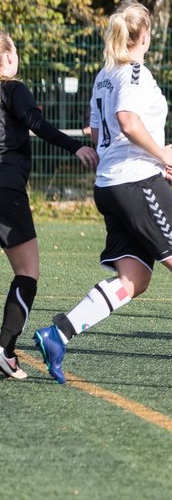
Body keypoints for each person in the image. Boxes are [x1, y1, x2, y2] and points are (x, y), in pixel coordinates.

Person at [31, 3, 172, 385]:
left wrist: (151, 161)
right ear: (145, 35)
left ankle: (58, 334)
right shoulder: (134, 72)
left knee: (134, 278)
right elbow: (127, 121)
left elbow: (96, 130)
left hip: (112, 184)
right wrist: (160, 154)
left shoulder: (105, 74)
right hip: (136, 184)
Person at [0, 32, 98, 379]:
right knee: (27, 273)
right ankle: (5, 350)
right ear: (9, 57)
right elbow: (36, 123)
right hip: (6, 191)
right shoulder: (13, 88)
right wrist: (77, 148)